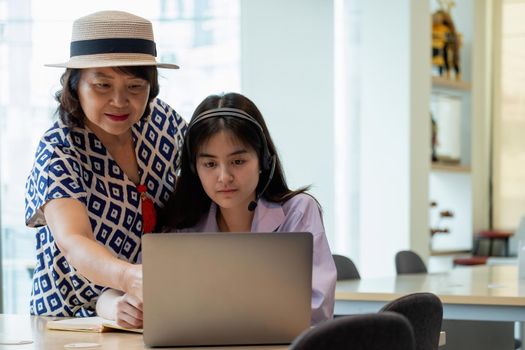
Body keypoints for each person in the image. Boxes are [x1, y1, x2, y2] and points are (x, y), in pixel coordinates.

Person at [96, 92, 337, 328]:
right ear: (195, 168)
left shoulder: (298, 211)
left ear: (264, 161)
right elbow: (112, 295)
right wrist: (117, 307)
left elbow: (317, 310)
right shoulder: (180, 226)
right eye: (210, 164)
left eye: (238, 161)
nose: (224, 177)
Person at [24, 10, 186, 317]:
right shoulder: (59, 147)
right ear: (75, 85)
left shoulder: (164, 123)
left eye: (135, 87)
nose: (120, 101)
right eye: (102, 85)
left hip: (147, 311)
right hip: (68, 319)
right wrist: (127, 277)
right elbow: (74, 240)